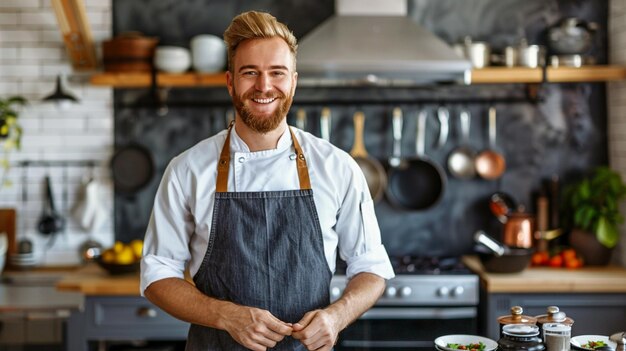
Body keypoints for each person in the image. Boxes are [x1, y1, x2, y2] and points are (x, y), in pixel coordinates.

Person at [141, 10, 394, 351]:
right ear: (230, 81)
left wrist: (336, 317)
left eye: (277, 73)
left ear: (293, 81)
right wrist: (224, 315)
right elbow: (158, 274)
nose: (264, 86)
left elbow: (371, 267)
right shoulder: (188, 169)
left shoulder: (337, 167)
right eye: (250, 73)